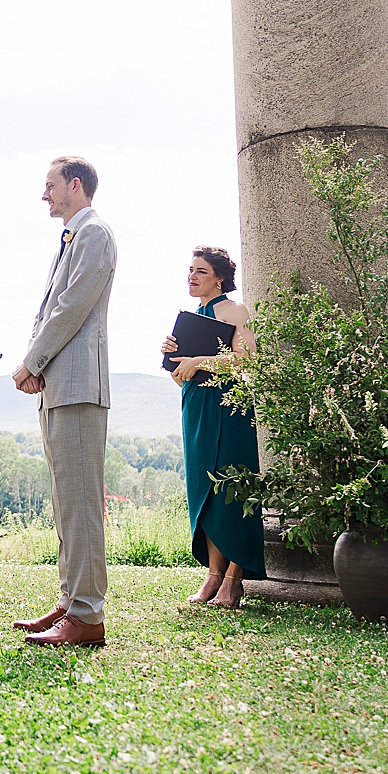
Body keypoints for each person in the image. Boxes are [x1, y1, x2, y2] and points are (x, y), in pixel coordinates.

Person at [9, 156, 117, 647]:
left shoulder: (95, 234)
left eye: (49, 185)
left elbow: (72, 307)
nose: (44, 194)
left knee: (79, 504)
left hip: (77, 386)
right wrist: (41, 370)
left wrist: (33, 362)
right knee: (65, 502)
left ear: (76, 185)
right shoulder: (74, 236)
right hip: (61, 384)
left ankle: (87, 616)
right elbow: (54, 308)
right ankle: (71, 599)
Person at [162, 246, 265, 610]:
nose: (192, 277)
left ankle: (235, 581)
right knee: (204, 488)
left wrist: (198, 359)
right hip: (196, 406)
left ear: (219, 277)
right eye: (190, 270)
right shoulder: (191, 318)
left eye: (200, 271)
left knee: (232, 488)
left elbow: (246, 361)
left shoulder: (236, 311)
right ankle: (214, 576)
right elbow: (180, 376)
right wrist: (174, 359)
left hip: (230, 408)